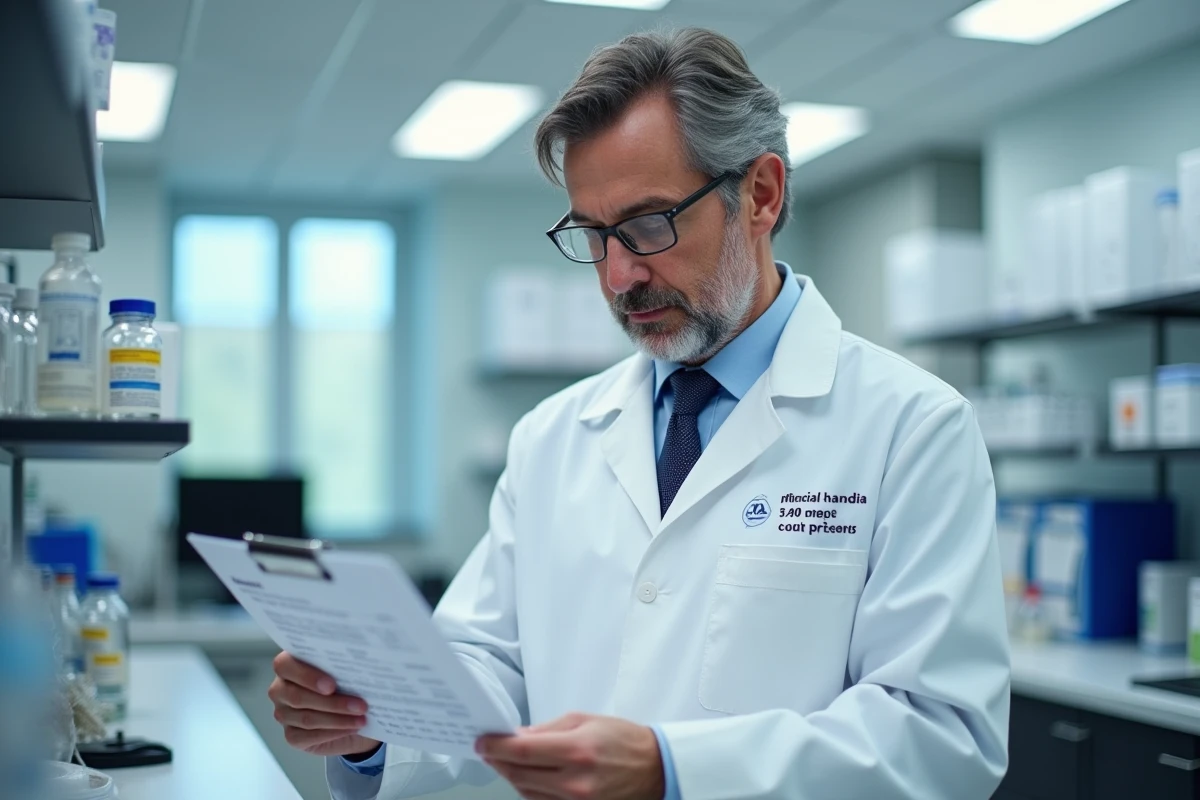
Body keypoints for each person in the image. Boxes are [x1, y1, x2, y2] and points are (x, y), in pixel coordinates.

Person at [269, 27, 1010, 800]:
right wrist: (377, 724)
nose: (620, 275)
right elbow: (490, 662)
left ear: (760, 195)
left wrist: (675, 770)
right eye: (592, 234)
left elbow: (939, 735)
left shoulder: (912, 427)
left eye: (649, 224)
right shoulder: (552, 436)